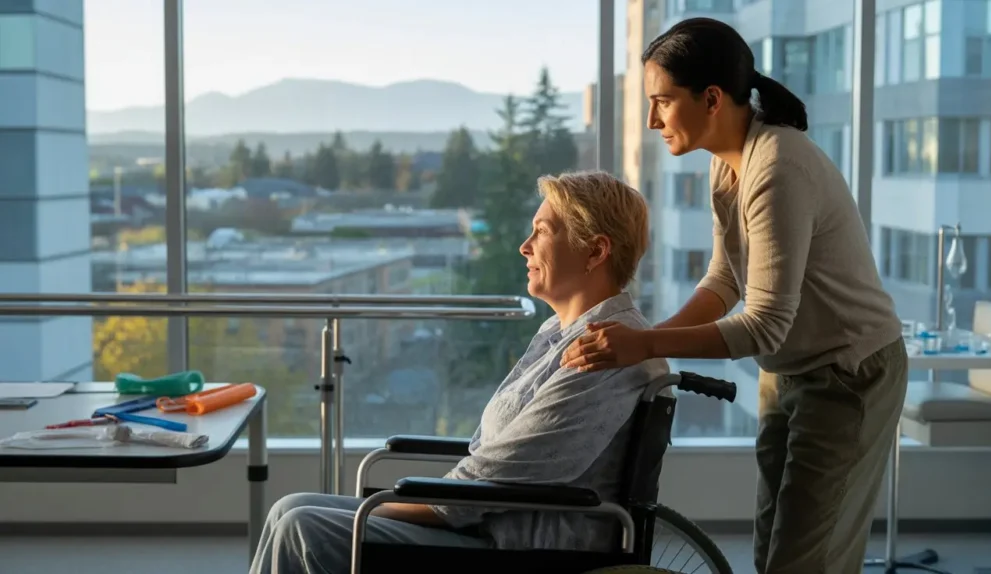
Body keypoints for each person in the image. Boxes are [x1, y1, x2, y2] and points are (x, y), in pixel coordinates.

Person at [560, 17, 908, 574]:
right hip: (789, 372)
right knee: (773, 549)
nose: (652, 120)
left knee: (804, 561)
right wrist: (648, 345)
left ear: (712, 98)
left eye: (663, 102)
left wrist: (644, 346)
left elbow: (764, 324)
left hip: (848, 371)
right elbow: (724, 282)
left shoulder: (777, 167)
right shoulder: (730, 167)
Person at [249, 171, 669, 574]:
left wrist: (385, 506)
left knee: (302, 525)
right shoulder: (561, 333)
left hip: (520, 548)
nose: (525, 246)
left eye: (542, 231)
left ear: (596, 251)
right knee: (289, 507)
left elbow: (504, 472)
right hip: (487, 519)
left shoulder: (604, 351)